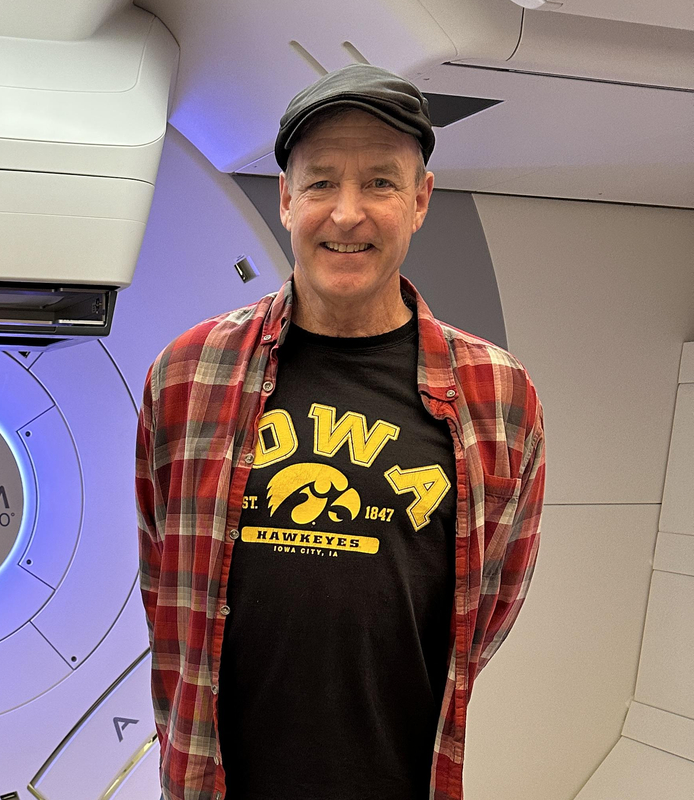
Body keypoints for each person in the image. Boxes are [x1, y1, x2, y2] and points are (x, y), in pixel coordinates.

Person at [134, 64, 546, 800]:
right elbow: (165, 586)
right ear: (287, 199)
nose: (347, 214)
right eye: (321, 183)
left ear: (419, 201)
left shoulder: (499, 397)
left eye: (380, 183)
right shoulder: (187, 377)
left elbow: (486, 609)